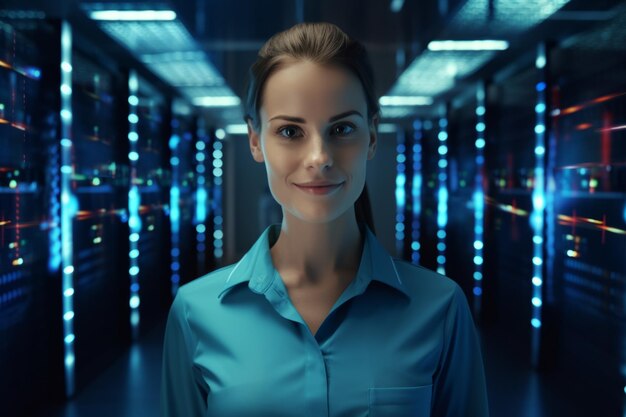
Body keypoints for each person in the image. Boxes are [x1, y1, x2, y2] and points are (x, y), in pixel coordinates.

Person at [161, 22, 489, 417]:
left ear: (371, 135)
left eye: (342, 128)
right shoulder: (195, 312)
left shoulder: (440, 307)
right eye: (289, 131)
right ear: (254, 140)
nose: (319, 157)